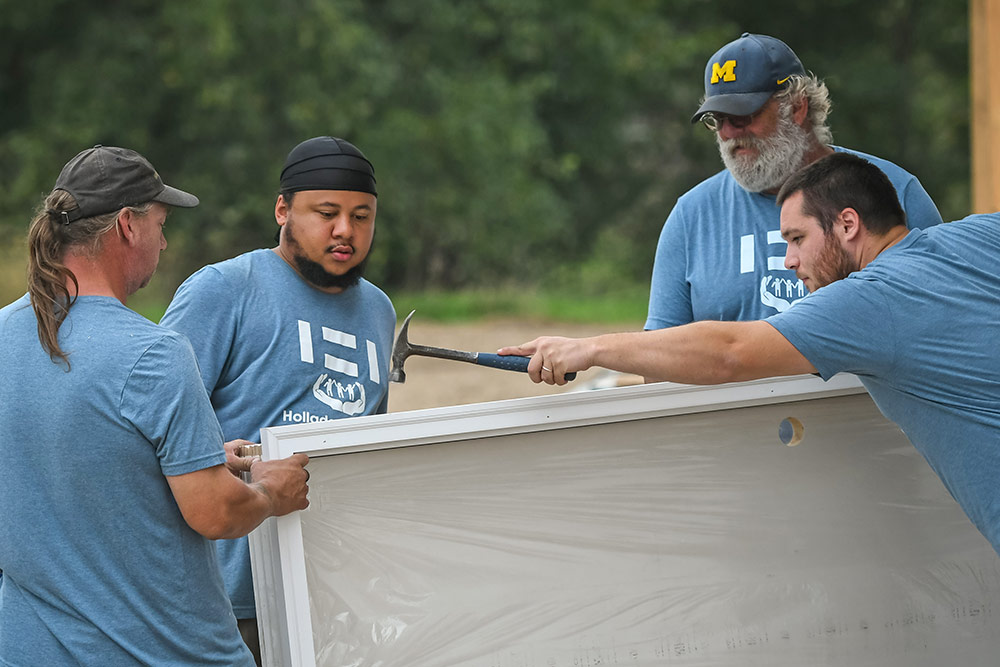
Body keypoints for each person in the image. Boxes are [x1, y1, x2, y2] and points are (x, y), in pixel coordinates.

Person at [500, 152, 1000, 556]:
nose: (790, 260)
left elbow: (730, 353)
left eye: (798, 238)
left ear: (848, 224)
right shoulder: (977, 236)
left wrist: (591, 348)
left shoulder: (868, 300)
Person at [0, 145, 311, 665]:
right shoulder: (154, 353)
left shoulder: (4, 335)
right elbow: (215, 512)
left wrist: (203, 457)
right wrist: (270, 492)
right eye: (161, 225)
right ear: (127, 225)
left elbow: (67, 456)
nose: (164, 244)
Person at [160, 136, 396, 661]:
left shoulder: (379, 310)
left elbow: (371, 447)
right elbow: (153, 430)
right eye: (327, 212)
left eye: (362, 216)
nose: (345, 231)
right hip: (225, 599)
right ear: (283, 209)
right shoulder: (224, 289)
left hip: (334, 591)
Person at [646, 32, 942, 332]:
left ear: (797, 107)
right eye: (718, 119)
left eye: (742, 115)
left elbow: (940, 321)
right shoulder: (692, 215)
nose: (729, 133)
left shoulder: (892, 190)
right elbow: (657, 356)